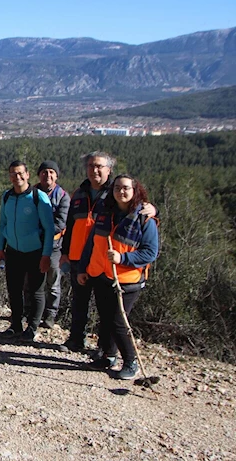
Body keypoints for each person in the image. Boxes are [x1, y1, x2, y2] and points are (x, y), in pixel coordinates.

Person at [59, 151, 156, 352]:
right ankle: (76, 340)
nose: (94, 170)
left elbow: (138, 210)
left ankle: (105, 350)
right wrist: (65, 252)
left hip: (108, 263)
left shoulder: (115, 192)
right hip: (81, 258)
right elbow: (69, 225)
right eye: (91, 166)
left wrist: (154, 210)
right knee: (79, 303)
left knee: (108, 311)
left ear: (108, 170)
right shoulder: (79, 193)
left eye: (99, 166)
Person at [77, 175, 159, 380]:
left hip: (127, 280)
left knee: (118, 321)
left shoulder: (144, 219)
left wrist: (123, 258)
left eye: (125, 188)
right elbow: (91, 244)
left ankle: (131, 362)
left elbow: (150, 252)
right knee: (105, 319)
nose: (121, 192)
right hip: (100, 274)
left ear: (134, 191)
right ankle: (108, 355)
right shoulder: (105, 214)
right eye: (117, 188)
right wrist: (83, 268)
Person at [0, 160, 54, 341]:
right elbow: (3, 224)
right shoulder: (7, 196)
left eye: (20, 173)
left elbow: (50, 229)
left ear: (28, 175)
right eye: (13, 174)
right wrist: (0, 248)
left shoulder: (38, 197)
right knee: (14, 290)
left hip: (35, 252)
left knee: (36, 291)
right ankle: (16, 325)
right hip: (13, 251)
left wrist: (46, 255)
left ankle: (33, 327)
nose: (17, 177)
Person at [35, 160, 69, 328]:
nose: (47, 175)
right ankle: (32, 313)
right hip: (33, 246)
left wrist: (40, 232)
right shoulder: (31, 193)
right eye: (44, 172)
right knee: (32, 281)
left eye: (51, 172)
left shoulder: (63, 196)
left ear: (56, 175)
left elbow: (61, 223)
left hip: (54, 247)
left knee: (53, 282)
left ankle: (50, 315)